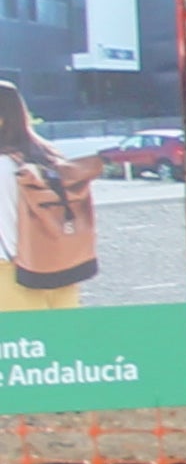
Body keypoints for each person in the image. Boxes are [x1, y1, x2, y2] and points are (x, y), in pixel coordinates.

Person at [3, 79, 91, 307]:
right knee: (64, 340)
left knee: (24, 341)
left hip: (12, 275)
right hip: (61, 269)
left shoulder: (4, 166)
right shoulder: (47, 155)